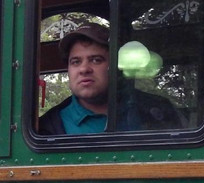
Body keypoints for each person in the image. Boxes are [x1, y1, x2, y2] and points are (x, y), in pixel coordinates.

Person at [38, 23, 182, 134]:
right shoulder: (47, 126)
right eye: (76, 62)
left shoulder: (157, 111)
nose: (84, 69)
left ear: (115, 66)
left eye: (96, 60)